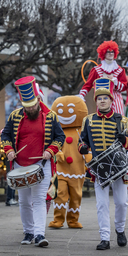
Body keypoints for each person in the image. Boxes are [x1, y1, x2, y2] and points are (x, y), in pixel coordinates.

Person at [1, 76, 65, 247]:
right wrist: (9, 150)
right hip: (19, 165)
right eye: (27, 107)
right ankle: (28, 232)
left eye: (33, 106)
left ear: (38, 100)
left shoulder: (51, 116)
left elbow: (60, 137)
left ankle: (39, 234)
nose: (30, 109)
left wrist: (50, 150)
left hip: (41, 165)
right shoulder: (15, 116)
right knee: (23, 201)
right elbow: (5, 135)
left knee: (38, 200)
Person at [78, 78, 128, 250]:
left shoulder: (122, 120)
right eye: (99, 98)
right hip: (99, 169)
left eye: (105, 98)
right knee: (101, 204)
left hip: (118, 169)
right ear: (96, 101)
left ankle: (120, 230)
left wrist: (125, 140)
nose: (102, 101)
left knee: (121, 202)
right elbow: (82, 141)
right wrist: (82, 147)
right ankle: (104, 237)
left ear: (111, 100)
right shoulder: (88, 120)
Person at [48, 95, 91, 229]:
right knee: (60, 195)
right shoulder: (57, 131)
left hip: (77, 170)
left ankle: (73, 220)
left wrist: (89, 158)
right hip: (60, 169)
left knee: (76, 196)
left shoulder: (82, 131)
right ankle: (58, 219)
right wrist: (57, 153)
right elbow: (52, 145)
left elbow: (87, 147)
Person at [78, 40, 127, 115]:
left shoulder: (120, 70)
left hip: (116, 100)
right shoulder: (96, 70)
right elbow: (88, 84)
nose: (111, 54)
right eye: (108, 52)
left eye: (112, 52)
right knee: (102, 121)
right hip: (102, 99)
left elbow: (124, 87)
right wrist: (81, 95)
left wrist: (115, 81)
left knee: (118, 121)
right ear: (103, 53)